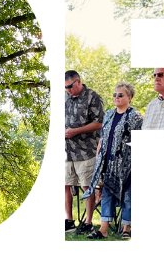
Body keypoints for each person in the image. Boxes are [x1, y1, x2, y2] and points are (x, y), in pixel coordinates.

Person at [88, 82, 141, 239]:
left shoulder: (135, 116)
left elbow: (139, 140)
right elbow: (102, 139)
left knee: (127, 195)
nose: (116, 97)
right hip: (107, 162)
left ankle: (126, 227)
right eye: (115, 95)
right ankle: (103, 229)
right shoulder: (109, 114)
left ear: (129, 97)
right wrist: (98, 157)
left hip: (127, 163)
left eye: (120, 95)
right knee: (107, 193)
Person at [63, 70, 104, 233]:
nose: (68, 90)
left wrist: (76, 131)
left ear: (78, 81)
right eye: (65, 88)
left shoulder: (93, 97)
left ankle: (88, 223)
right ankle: (69, 221)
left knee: (87, 187)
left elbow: (99, 123)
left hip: (87, 151)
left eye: (70, 86)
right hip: (67, 151)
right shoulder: (65, 98)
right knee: (65, 184)